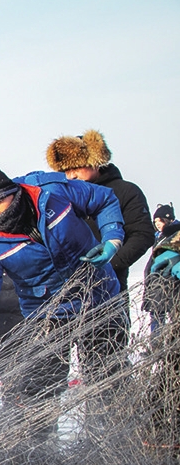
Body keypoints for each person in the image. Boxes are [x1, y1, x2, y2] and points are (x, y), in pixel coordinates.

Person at [0, 162, 125, 410]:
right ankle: (37, 443)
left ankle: (107, 435)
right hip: (46, 313)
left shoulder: (52, 192)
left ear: (11, 193)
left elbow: (104, 199)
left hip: (99, 296)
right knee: (41, 388)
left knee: (107, 378)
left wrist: (112, 240)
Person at [46, 130, 153, 352]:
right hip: (65, 296)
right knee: (55, 368)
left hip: (109, 292)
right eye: (66, 170)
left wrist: (108, 265)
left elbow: (142, 235)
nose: (72, 175)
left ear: (95, 163)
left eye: (77, 167)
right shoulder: (59, 199)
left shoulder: (126, 191)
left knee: (105, 360)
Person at [144, 203, 179, 332]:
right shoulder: (158, 237)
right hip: (157, 286)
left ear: (169, 219)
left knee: (172, 320)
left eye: (160, 220)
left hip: (170, 285)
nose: (157, 224)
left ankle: (166, 349)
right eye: (155, 221)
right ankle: (156, 349)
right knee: (157, 319)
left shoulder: (176, 236)